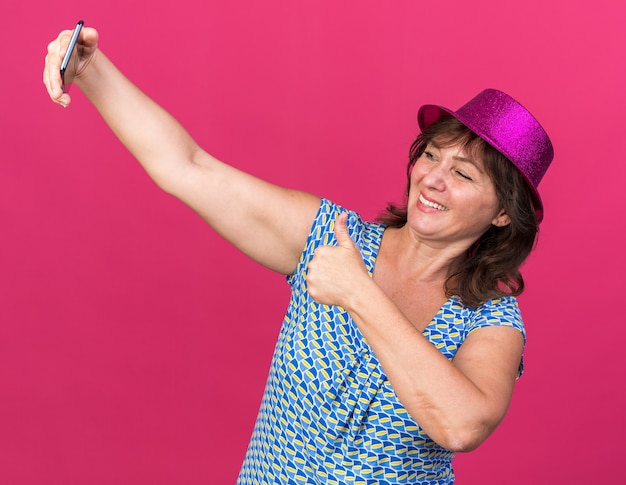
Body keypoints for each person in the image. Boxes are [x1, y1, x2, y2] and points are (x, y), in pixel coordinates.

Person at [43, 23, 554, 485]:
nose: (433, 178)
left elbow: (461, 426)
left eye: (464, 174)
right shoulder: (329, 236)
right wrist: (90, 70)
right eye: (431, 154)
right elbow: (188, 166)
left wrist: (360, 294)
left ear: (503, 215)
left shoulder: (492, 322)